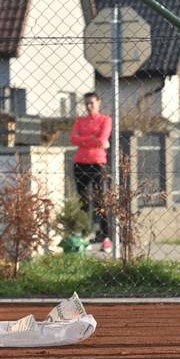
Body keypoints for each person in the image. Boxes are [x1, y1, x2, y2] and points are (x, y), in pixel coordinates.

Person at [70, 92, 113, 248]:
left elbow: (102, 139)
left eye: (92, 103)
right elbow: (72, 138)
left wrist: (83, 141)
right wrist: (92, 140)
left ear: (98, 103)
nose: (89, 106)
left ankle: (105, 236)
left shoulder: (105, 120)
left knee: (100, 200)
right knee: (82, 200)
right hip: (80, 163)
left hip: (97, 164)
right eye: (86, 103)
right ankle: (83, 234)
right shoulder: (80, 120)